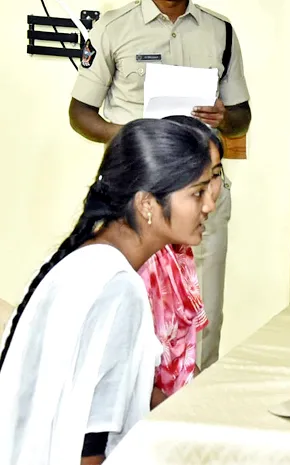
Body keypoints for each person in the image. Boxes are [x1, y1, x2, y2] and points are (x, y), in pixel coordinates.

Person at [0, 119, 216, 464]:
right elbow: (89, 447)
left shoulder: (86, 258)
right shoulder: (118, 287)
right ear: (146, 203)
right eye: (197, 192)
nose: (209, 206)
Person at [68, 0, 251, 369]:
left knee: (203, 309)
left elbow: (241, 118)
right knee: (131, 302)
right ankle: (132, 394)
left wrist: (225, 117)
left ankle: (194, 398)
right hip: (136, 194)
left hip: (201, 196)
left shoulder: (221, 30)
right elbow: (80, 113)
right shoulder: (113, 26)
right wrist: (133, 136)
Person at [140, 115, 227, 405]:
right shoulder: (137, 265)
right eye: (199, 188)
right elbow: (135, 389)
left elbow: (181, 363)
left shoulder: (177, 251)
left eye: (216, 176)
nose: (210, 202)